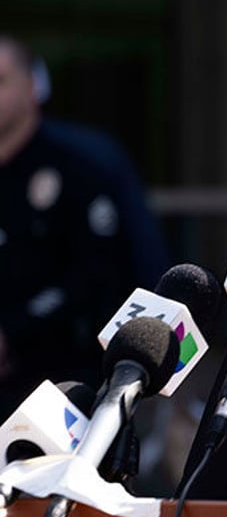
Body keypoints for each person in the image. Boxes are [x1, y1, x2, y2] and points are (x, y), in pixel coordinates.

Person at [0, 34, 171, 422]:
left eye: (1, 80)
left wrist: (14, 333)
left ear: (31, 89)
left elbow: (101, 276)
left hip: (72, 383)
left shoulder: (83, 162)